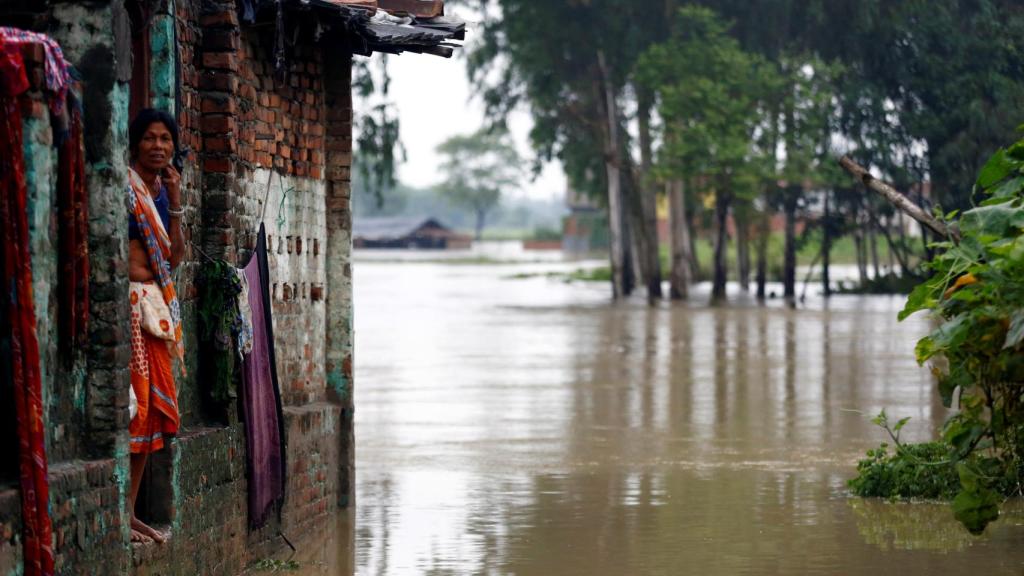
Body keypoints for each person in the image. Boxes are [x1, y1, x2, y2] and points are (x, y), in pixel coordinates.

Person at [126, 109, 186, 544]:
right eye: (150, 138)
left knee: (153, 418)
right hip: (129, 309)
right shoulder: (124, 188)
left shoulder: (162, 194)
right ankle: (120, 512)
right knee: (134, 411)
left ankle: (128, 512)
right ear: (136, 143)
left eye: (165, 139)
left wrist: (178, 202)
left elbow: (174, 259)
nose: (158, 146)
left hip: (155, 312)